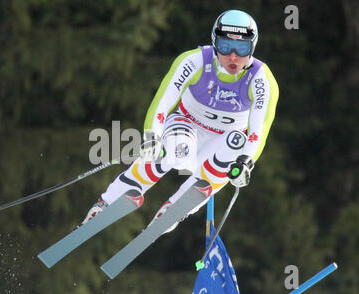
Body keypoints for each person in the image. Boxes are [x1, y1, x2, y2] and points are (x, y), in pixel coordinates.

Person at [83, 9, 279, 232]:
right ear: (215, 43)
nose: (233, 56)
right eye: (225, 47)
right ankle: (108, 202)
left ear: (252, 47)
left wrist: (245, 163)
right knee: (177, 148)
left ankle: (175, 209)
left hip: (223, 140)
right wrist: (152, 136)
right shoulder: (194, 61)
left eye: (241, 48)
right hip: (188, 124)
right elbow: (162, 104)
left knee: (237, 143)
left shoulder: (262, 79)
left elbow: (258, 130)